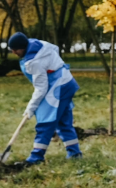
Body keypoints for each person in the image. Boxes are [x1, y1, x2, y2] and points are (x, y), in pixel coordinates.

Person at [7, 32, 82, 164]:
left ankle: (36, 157)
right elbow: (55, 48)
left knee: (46, 121)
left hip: (58, 87)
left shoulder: (33, 61)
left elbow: (41, 88)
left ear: (22, 47)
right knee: (63, 121)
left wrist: (31, 108)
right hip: (66, 81)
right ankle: (75, 154)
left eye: (15, 50)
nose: (14, 52)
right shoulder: (37, 43)